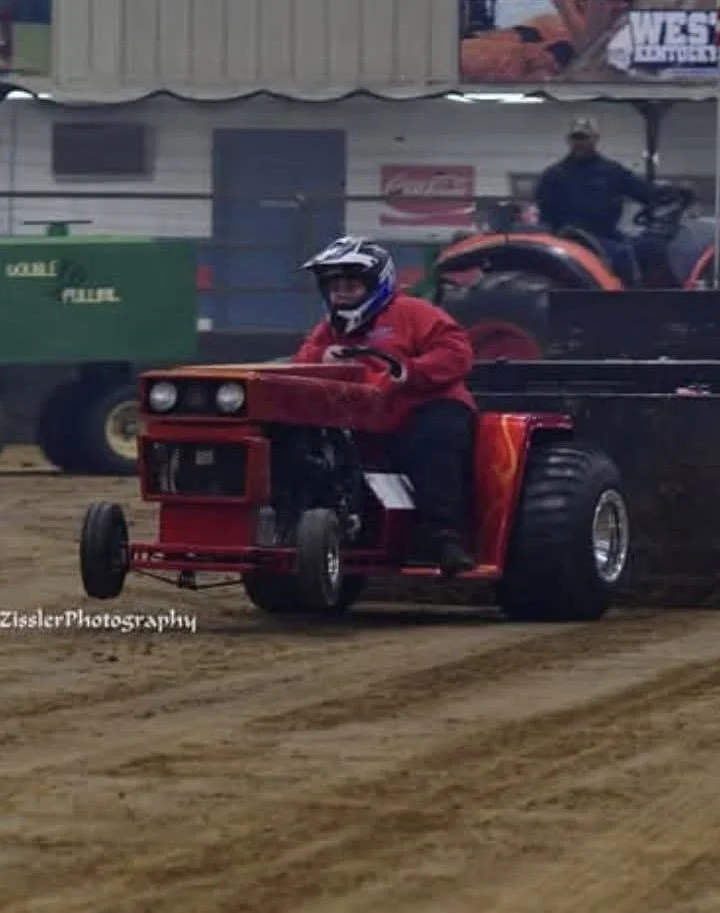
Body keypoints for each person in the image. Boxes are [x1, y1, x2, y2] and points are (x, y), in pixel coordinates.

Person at [293, 235, 477, 576]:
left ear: (375, 284)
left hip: (422, 405)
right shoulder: (328, 330)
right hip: (362, 417)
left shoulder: (414, 312)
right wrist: (322, 356)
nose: (342, 293)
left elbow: (456, 352)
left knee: (434, 439)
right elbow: (302, 361)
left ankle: (445, 536)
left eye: (351, 284)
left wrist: (411, 371)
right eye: (335, 286)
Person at [534, 116, 657, 286]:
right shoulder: (554, 175)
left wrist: (665, 194)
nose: (580, 143)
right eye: (576, 138)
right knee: (624, 256)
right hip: (569, 239)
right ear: (569, 140)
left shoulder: (612, 171)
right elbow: (545, 213)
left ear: (595, 139)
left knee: (638, 250)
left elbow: (644, 191)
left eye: (584, 138)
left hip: (604, 234)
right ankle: (630, 300)